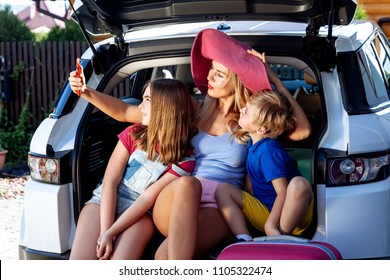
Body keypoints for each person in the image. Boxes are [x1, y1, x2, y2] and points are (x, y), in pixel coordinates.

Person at [68, 28, 311, 259]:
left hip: (220, 205)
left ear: (237, 80)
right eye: (211, 69)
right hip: (176, 198)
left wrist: (272, 79)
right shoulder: (195, 108)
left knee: (164, 257)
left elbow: (302, 131)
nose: (209, 76)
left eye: (219, 74)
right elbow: (125, 112)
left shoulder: (251, 118)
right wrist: (86, 92)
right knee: (188, 184)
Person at [69, 78, 195, 260]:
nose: (140, 106)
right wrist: (106, 232)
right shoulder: (133, 134)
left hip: (139, 215)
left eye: (147, 100)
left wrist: (113, 232)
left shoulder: (185, 160)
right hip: (103, 203)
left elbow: (146, 198)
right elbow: (110, 183)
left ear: (165, 107)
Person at [216, 90, 313, 244]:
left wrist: (270, 225)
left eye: (246, 112)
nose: (241, 110)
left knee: (299, 184)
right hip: (266, 210)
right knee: (223, 190)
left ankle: (280, 238)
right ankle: (244, 238)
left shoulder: (269, 152)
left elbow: (282, 193)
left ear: (261, 129)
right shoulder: (253, 142)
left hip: (290, 217)